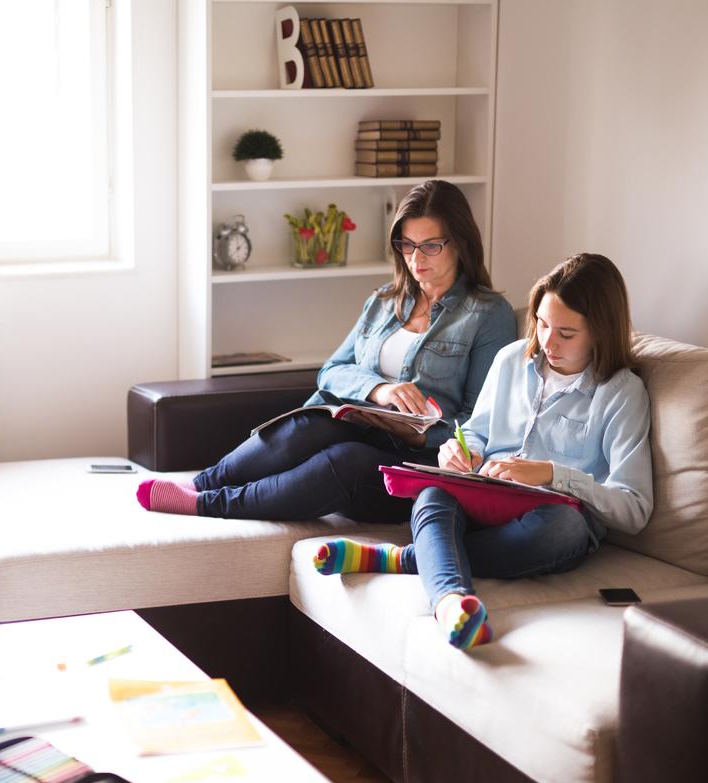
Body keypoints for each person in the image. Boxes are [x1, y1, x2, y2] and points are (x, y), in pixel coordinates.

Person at [313, 253, 653, 650]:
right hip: (483, 495)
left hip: (553, 513)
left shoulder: (622, 393)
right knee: (433, 492)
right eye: (542, 324)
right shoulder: (512, 359)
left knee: (565, 529)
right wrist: (461, 452)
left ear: (601, 331)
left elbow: (634, 510)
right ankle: (451, 601)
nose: (548, 342)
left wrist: (551, 475)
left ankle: (409, 562)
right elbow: (474, 431)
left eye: (566, 333)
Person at [138, 179, 517, 521]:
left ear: (462, 242)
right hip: (363, 424)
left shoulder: (488, 314)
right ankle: (203, 483)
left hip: (416, 461)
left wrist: (421, 435)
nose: (416, 260)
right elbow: (332, 370)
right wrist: (378, 391)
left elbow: (479, 421)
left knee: (344, 460)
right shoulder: (385, 301)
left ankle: (209, 504)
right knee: (312, 422)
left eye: (431, 246)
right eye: (407, 245)